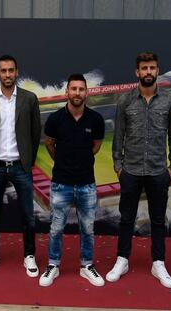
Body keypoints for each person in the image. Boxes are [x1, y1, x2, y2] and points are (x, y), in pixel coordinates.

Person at [108, 52, 171, 288]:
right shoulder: (125, 101)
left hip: (159, 171)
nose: (148, 72)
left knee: (158, 220)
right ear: (136, 72)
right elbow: (118, 136)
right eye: (144, 68)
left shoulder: (169, 100)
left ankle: (158, 262)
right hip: (130, 170)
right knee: (126, 218)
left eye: (152, 67)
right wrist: (118, 167)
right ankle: (122, 259)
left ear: (157, 70)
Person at [39, 73, 105, 287]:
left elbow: (96, 145)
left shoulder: (95, 119)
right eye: (73, 89)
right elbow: (49, 143)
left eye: (81, 89)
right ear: (67, 92)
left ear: (86, 92)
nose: (77, 93)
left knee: (87, 228)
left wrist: (82, 159)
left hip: (87, 183)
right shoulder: (55, 119)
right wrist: (63, 161)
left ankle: (87, 265)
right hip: (61, 183)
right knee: (56, 227)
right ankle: (53, 264)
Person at [0, 54, 41, 277]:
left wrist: (27, 160)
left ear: (17, 72)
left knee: (27, 214)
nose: (7, 74)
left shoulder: (29, 99)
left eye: (11, 70)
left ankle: (29, 255)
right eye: (3, 71)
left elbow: (36, 134)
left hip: (20, 166)